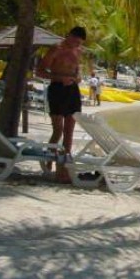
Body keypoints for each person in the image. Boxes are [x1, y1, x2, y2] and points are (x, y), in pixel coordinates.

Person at [36, 26, 87, 181]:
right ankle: (49, 162)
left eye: (80, 43)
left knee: (69, 131)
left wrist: (77, 77)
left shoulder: (78, 51)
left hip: (73, 90)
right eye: (75, 41)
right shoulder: (56, 49)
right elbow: (40, 71)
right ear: (69, 36)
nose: (77, 45)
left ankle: (63, 169)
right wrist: (60, 78)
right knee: (58, 130)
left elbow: (76, 70)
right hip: (57, 89)